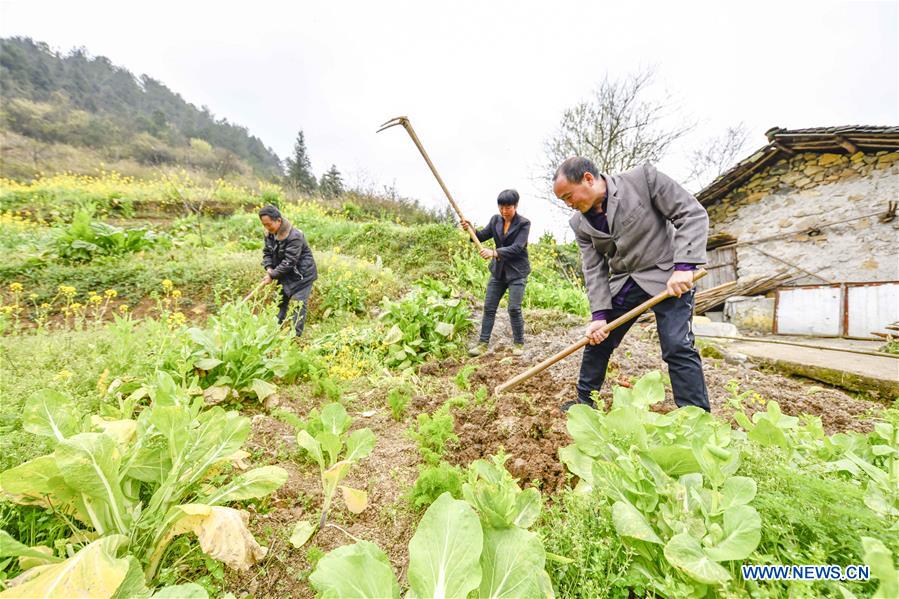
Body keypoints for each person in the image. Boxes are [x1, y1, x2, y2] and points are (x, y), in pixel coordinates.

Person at [552, 157, 710, 412]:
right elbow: (593, 268)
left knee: (677, 345)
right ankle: (585, 403)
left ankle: (695, 416)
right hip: (625, 280)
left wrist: (684, 267)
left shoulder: (643, 180)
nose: (569, 204)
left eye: (569, 196)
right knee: (597, 339)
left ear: (588, 179)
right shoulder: (579, 224)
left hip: (668, 275)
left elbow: (690, 213)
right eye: (564, 201)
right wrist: (599, 315)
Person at [460, 189, 531, 357]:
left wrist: (494, 253)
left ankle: (519, 344)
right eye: (501, 207)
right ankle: (483, 344)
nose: (504, 211)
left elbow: (517, 247)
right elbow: (482, 236)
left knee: (514, 308)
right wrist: (470, 229)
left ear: (516, 206)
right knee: (489, 308)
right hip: (498, 272)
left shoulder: (524, 223)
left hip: (517, 272)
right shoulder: (495, 220)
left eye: (508, 207)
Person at [258, 205, 317, 337]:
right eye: (264, 225)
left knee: (298, 306)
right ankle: (272, 333)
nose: (267, 228)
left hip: (301, 276)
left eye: (269, 224)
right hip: (284, 275)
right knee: (279, 303)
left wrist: (272, 275)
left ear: (278, 220)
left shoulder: (295, 236)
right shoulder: (269, 234)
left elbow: (289, 262)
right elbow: (267, 252)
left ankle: (295, 338)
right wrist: (269, 269)